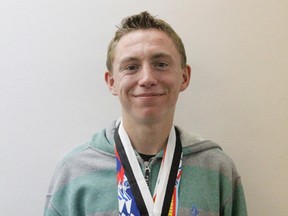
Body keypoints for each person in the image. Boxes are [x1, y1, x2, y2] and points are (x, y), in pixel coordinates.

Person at [44, 11, 247, 216]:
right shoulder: (74, 172)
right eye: (131, 67)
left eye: (161, 64)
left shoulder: (217, 170)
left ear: (184, 77)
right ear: (112, 82)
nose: (147, 78)